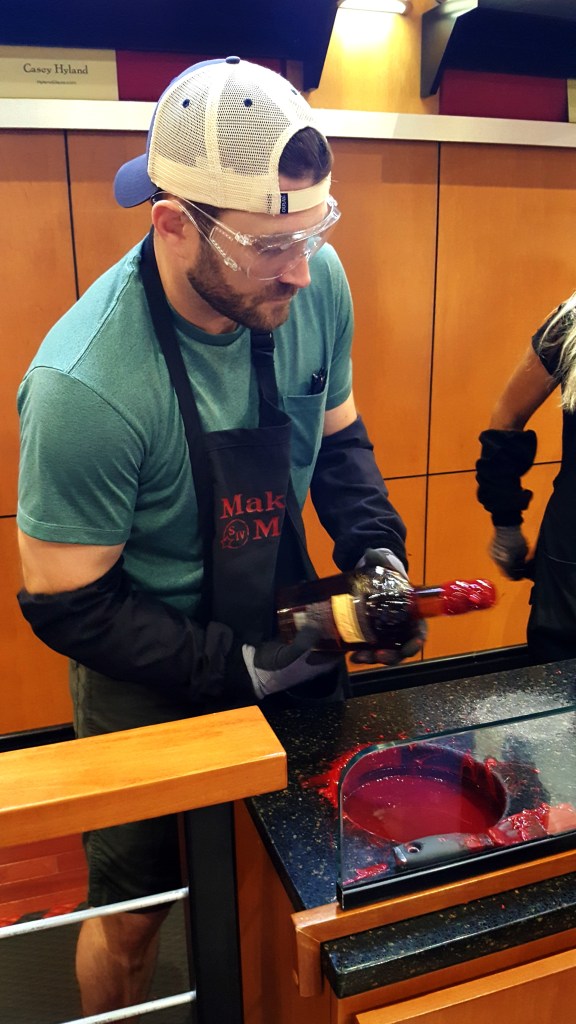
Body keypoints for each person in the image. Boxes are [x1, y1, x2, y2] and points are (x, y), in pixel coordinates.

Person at [16, 57, 422, 1015]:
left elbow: (339, 441)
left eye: (315, 232)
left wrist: (377, 552)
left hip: (285, 619)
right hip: (146, 673)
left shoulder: (311, 282)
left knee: (296, 874)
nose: (302, 269)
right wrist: (233, 668)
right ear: (172, 223)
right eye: (272, 245)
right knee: (135, 913)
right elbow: (69, 606)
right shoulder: (85, 385)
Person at [476, 292, 576, 662]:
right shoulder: (571, 322)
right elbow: (506, 419)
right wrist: (506, 524)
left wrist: (507, 525)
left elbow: (506, 420)